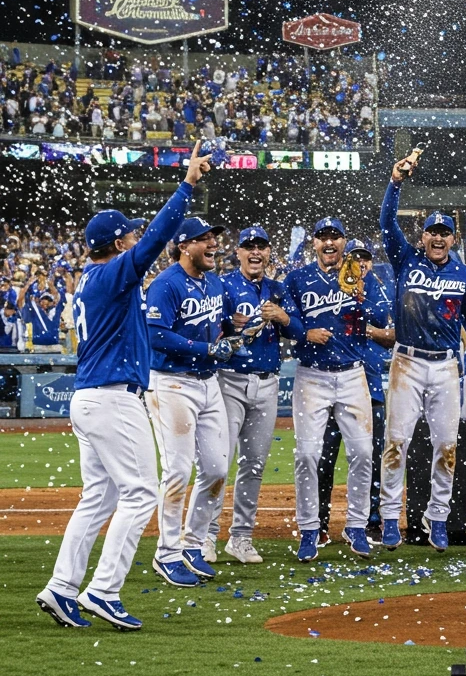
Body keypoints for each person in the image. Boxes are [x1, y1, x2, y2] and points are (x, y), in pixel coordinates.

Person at [36, 141, 210, 630]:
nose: (137, 241)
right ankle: (104, 591)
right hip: (114, 397)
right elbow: (156, 239)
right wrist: (187, 186)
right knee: (140, 495)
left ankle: (62, 588)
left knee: (100, 498)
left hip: (89, 396)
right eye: (128, 236)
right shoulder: (113, 275)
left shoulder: (89, 281)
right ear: (116, 244)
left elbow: (146, 244)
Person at [378, 157, 466, 552]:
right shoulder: (405, 259)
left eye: (444, 232)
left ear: (454, 238)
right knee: (397, 442)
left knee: (447, 447)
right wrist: (395, 182)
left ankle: (436, 517)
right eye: (432, 232)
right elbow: (386, 222)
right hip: (406, 362)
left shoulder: (464, 274)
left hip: (445, 365)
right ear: (421, 237)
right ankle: (391, 517)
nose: (438, 238)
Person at [283, 218, 390, 562]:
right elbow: (285, 318)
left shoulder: (360, 276)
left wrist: (361, 297)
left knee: (362, 454)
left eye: (335, 237)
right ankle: (310, 530)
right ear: (313, 243)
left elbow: (382, 317)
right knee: (307, 456)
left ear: (343, 242)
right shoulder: (297, 279)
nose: (329, 243)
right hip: (311, 376)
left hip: (352, 375)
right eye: (323, 238)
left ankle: (356, 527)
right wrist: (304, 333)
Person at [145, 215, 233, 587]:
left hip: (207, 382)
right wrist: (206, 347)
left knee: (215, 469)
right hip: (171, 383)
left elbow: (219, 323)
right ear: (184, 245)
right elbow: (155, 334)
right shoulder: (165, 284)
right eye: (204, 238)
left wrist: (236, 326)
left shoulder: (212, 282)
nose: (213, 243)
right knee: (179, 471)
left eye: (214, 237)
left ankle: (192, 544)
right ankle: (166, 554)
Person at [202, 226, 297, 565]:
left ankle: (240, 538)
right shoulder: (223, 285)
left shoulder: (277, 289)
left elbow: (297, 331)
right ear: (238, 252)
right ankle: (207, 536)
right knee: (219, 463)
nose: (255, 252)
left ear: (269, 252)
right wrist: (228, 323)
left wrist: (282, 317)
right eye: (249, 247)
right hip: (230, 380)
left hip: (267, 382)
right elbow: (209, 328)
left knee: (254, 465)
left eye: (261, 246)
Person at [317, 237, 395, 546]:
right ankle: (320, 523)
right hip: (332, 385)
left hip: (370, 385)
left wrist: (358, 303)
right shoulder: (327, 284)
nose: (361, 263)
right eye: (354, 258)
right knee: (324, 458)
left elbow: (382, 325)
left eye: (365, 258)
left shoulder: (375, 290)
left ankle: (370, 522)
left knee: (372, 458)